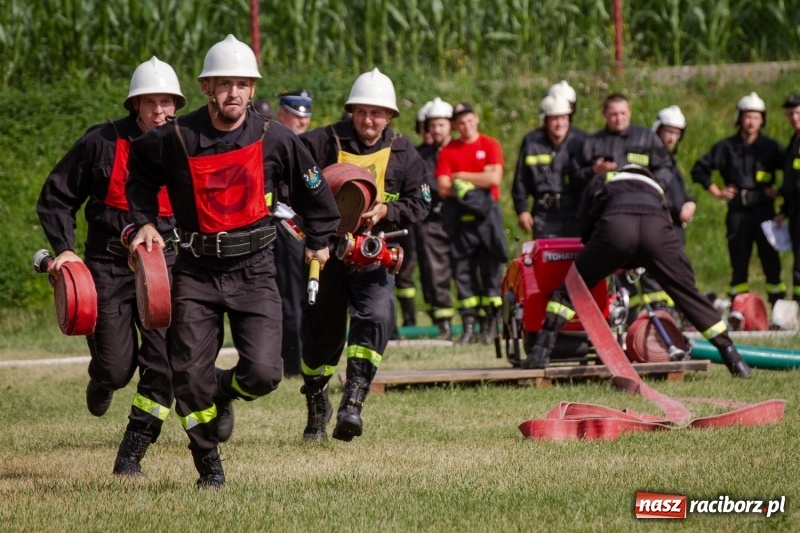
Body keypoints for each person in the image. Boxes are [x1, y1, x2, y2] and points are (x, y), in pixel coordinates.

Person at [125, 35, 339, 488]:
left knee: (265, 373)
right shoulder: (177, 136)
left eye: (243, 84)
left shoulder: (275, 137)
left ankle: (225, 390)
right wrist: (144, 221)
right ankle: (209, 466)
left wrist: (320, 238)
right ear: (206, 87)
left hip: (256, 269)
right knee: (188, 375)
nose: (234, 94)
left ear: (253, 89)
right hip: (195, 272)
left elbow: (315, 191)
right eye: (225, 84)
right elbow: (137, 174)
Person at [36, 57, 185, 477]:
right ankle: (102, 379)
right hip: (107, 265)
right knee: (118, 368)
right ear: (134, 104)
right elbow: (56, 198)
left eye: (168, 102)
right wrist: (64, 248)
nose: (160, 111)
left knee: (164, 367)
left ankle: (131, 454)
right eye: (151, 102)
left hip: (166, 265)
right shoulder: (100, 142)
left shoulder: (188, 144)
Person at [520, 165, 751, 379]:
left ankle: (540, 351)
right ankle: (733, 357)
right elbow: (663, 225)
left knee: (572, 286)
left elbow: (584, 224)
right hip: (656, 232)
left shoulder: (603, 180)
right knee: (687, 293)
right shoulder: (656, 188)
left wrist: (609, 257)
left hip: (615, 228)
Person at [299, 68, 429, 442]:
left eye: (377, 113)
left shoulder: (404, 152)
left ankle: (353, 401)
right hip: (324, 255)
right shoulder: (321, 142)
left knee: (376, 315)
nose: (368, 120)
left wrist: (389, 211)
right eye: (361, 112)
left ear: (390, 117)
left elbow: (421, 202)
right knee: (319, 338)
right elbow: (290, 176)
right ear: (351, 111)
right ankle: (316, 406)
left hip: (373, 253)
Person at [691, 92, 786, 306]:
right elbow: (699, 169)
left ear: (762, 120)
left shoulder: (771, 147)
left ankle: (778, 305)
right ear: (739, 118)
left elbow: (791, 170)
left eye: (756, 117)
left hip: (764, 212)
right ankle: (739, 308)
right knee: (739, 259)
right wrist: (716, 191)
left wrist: (780, 191)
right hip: (738, 213)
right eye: (747, 116)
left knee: (770, 259)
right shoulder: (726, 147)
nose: (751, 122)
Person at [436, 102, 508, 345]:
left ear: (476, 119)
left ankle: (491, 325)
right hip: (461, 222)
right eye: (460, 122)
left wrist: (461, 177)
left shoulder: (490, 145)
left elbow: (494, 177)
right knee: (463, 274)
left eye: (469, 120)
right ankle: (469, 326)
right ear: (454, 125)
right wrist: (479, 180)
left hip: (487, 220)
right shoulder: (449, 151)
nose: (465, 125)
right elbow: (443, 187)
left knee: (491, 272)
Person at [273, 89, 314, 376]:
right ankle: (292, 363)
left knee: (301, 296)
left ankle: (297, 359)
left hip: (300, 229)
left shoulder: (310, 146)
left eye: (305, 117)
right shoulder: (274, 143)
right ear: (282, 114)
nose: (300, 122)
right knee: (287, 297)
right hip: (281, 226)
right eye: (294, 116)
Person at [511, 94, 587, 238]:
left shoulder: (582, 142)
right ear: (546, 120)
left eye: (563, 118)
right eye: (554, 118)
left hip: (576, 214)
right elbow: (520, 180)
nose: (560, 123)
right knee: (547, 257)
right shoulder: (532, 144)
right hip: (545, 216)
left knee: (578, 259)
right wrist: (522, 210)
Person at [416, 97, 456, 339]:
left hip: (461, 219)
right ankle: (445, 324)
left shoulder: (460, 150)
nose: (437, 129)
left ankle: (477, 321)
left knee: (467, 271)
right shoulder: (421, 155)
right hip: (432, 219)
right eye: (433, 125)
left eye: (442, 124)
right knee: (435, 273)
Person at [653, 105, 696, 246]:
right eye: (669, 132)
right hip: (658, 225)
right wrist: (677, 210)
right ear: (658, 129)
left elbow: (678, 191)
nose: (672, 138)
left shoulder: (670, 160)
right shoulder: (651, 159)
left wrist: (690, 202)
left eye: (677, 134)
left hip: (674, 227)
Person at [779, 94, 800, 302]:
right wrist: (784, 209)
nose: (794, 117)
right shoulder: (794, 142)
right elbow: (792, 183)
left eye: (798, 113)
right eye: (791, 114)